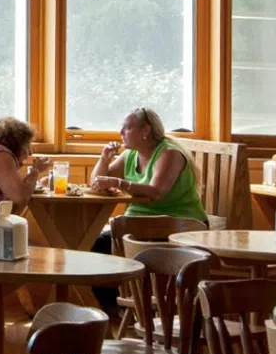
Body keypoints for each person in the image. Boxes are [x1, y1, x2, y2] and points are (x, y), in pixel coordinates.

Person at [85, 106, 207, 314]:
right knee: (93, 242)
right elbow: (95, 183)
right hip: (140, 224)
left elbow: (156, 192)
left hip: (177, 224)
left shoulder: (169, 153)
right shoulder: (131, 154)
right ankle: (114, 307)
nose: (121, 133)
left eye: (127, 128)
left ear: (146, 130)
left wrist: (117, 182)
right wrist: (104, 159)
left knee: (101, 244)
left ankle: (116, 307)